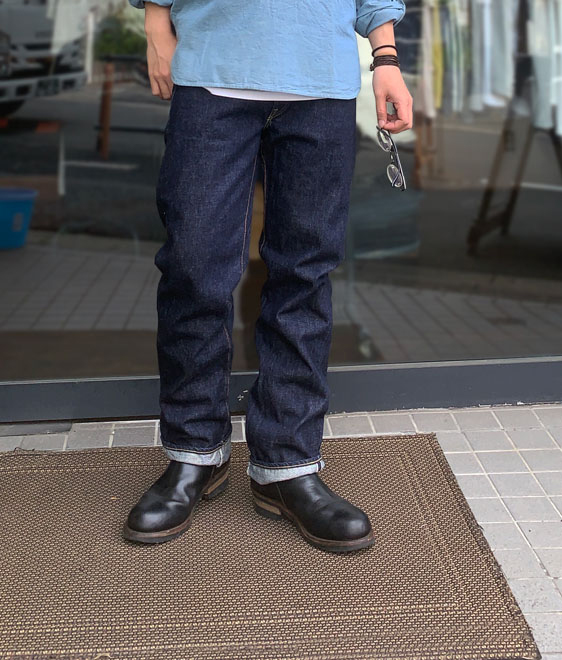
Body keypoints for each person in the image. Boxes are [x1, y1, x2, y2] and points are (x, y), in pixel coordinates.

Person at [123, 0, 412, 553]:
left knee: (304, 275)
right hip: (212, 75)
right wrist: (156, 22)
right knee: (193, 270)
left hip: (320, 83)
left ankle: (287, 464)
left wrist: (386, 58)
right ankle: (194, 453)